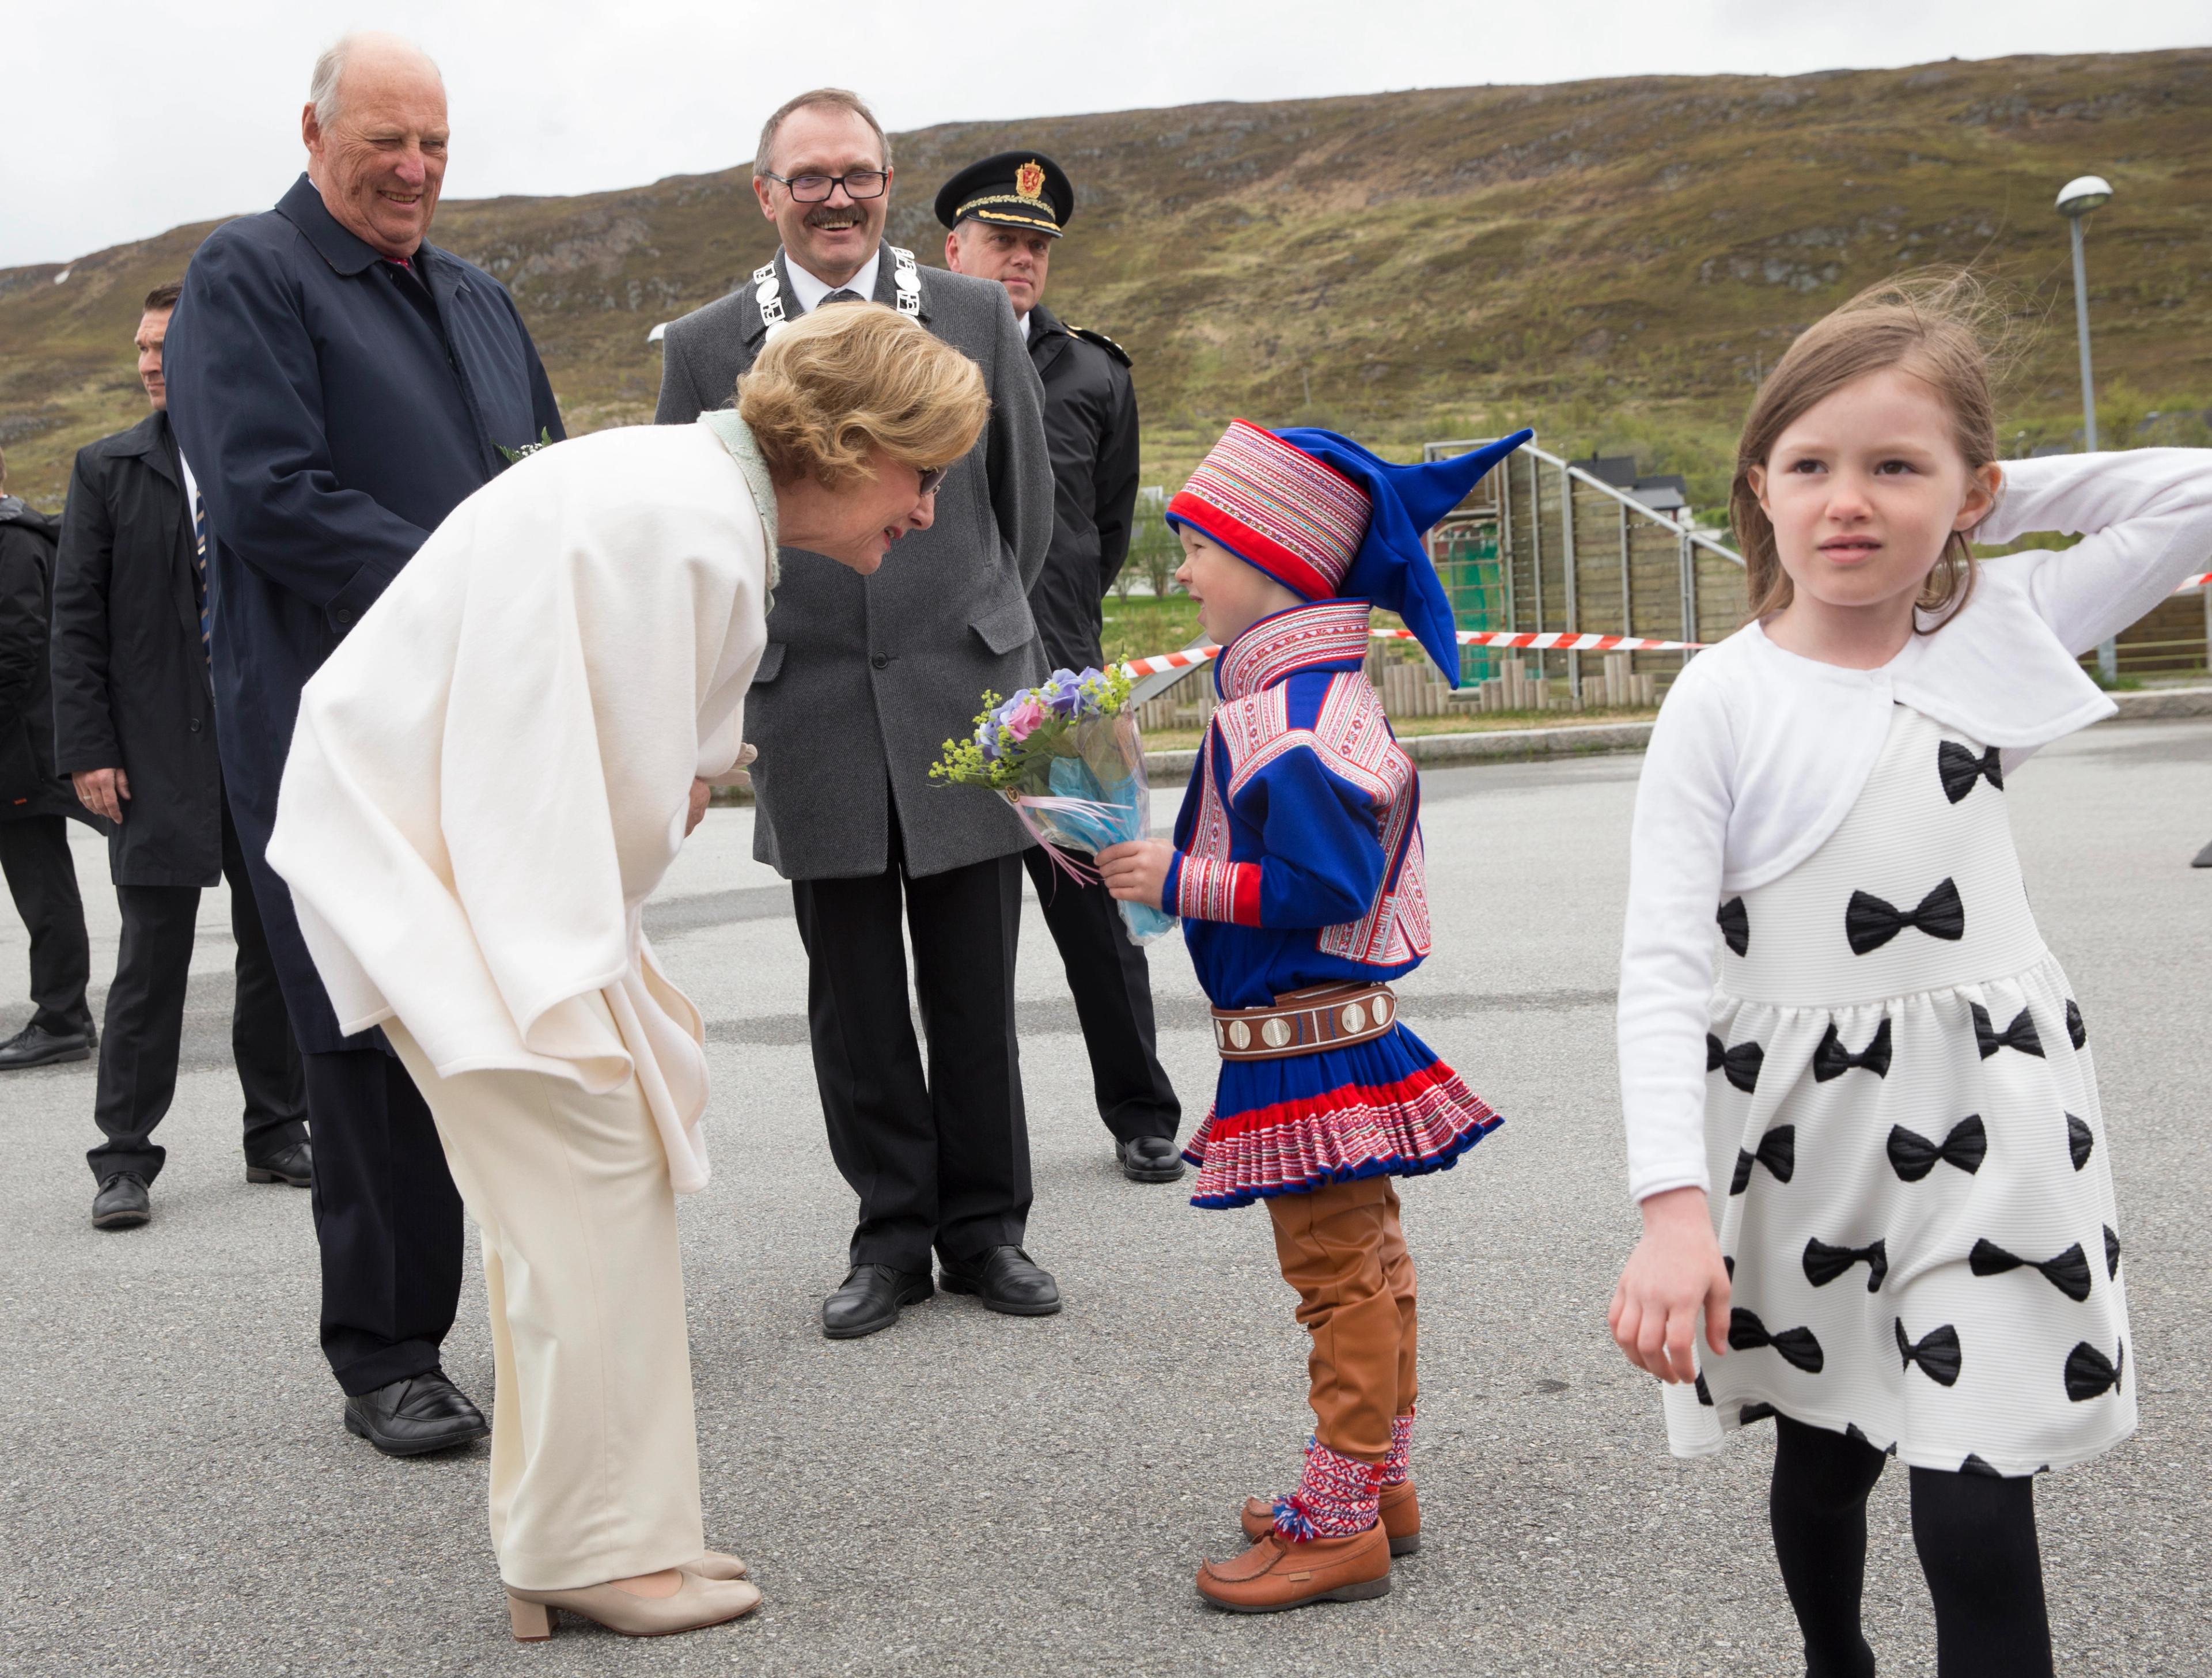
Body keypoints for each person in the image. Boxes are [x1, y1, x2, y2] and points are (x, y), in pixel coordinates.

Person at [270, 304, 985, 1640]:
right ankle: (587, 1551)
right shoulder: (690, 525)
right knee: (588, 1186)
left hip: (455, 864)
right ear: (844, 446)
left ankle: (609, 1536)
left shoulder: (684, 501)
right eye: (920, 473)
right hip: (450, 879)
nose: (928, 511)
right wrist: (656, 833)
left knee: (587, 1197)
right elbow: (606, 781)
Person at [1607, 274, 2212, 1677]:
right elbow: (1656, 967)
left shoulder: (1995, 624)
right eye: (1810, 466)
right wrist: (1669, 1214)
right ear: (1759, 488)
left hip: (1993, 1125)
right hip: (1798, 1139)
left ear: (1971, 490)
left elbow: (2194, 491)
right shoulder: (1722, 696)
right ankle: (1837, 1660)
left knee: (1976, 1488)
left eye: (1896, 468)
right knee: (1823, 1462)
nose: (1848, 502)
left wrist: (1988, 497)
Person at [162, 32, 564, 1455]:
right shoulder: (248, 276)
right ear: (314, 130)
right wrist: (480, 574)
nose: (413, 170)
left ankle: (543, 1307)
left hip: (489, 721)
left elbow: (543, 488)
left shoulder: (477, 296)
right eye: (385, 141)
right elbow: (270, 496)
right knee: (367, 1029)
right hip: (339, 728)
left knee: (513, 1008)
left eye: (436, 146)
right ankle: (388, 1348)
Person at [1098, 419, 1525, 1612]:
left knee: (1336, 1276)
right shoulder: (1306, 691)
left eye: (1197, 550)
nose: (1181, 575)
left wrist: (1172, 881)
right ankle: (1380, 1485)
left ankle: (1338, 1521)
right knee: (1373, 1259)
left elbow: (1323, 888)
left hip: (1305, 1043)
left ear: (1277, 563)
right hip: (1335, 1029)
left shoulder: (1282, 720)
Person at [655, 89, 1060, 1340]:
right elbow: (688, 529)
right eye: (811, 176)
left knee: (973, 981)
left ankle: (988, 1228)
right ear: (765, 192)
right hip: (812, 709)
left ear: (889, 183)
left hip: (962, 695)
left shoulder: (978, 312)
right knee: (855, 995)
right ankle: (890, 1233)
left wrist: (984, 627)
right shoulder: (707, 340)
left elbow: (1023, 503)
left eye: (860, 173)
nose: (839, 196)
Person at [937, 149, 1183, 1185]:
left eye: (1038, 246)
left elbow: (1106, 530)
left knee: (1098, 906)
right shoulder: (919, 358)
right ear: (954, 249)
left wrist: (1063, 633)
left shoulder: (1094, 374)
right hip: (949, 680)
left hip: (1064, 686)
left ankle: (1142, 1114)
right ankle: (973, 1155)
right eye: (1003, 241)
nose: (1022, 261)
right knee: (961, 933)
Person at [51, 282, 309, 1233]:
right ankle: (124, 1155)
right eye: (141, 347)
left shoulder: (270, 458)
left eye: (165, 346)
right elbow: (75, 625)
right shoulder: (107, 468)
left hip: (267, 750)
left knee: (276, 952)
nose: (149, 362)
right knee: (150, 961)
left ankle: (278, 1129)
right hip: (152, 760)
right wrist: (87, 749)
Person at [0, 444, 98, 1071]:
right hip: (21, 743)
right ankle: (64, 1013)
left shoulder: (11, 543)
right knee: (39, 879)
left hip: (22, 749)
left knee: (42, 884)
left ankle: (63, 1017)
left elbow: (17, 649)